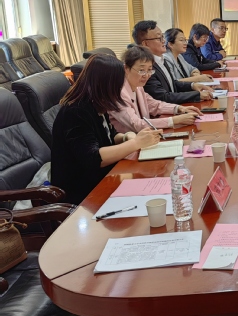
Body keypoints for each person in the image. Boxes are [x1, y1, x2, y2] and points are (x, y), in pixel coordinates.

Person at [51, 54, 161, 205]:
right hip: (83, 193)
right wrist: (135, 143)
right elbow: (93, 158)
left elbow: (110, 136)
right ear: (105, 84)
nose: (120, 89)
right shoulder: (76, 111)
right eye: (117, 84)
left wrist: (127, 137)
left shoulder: (97, 103)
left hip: (103, 179)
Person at [109, 45, 202, 133]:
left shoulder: (138, 87)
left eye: (149, 70)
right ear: (126, 68)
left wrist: (179, 108)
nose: (146, 75)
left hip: (146, 137)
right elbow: (136, 124)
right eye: (141, 70)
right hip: (128, 141)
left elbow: (155, 105)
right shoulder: (117, 93)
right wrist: (174, 120)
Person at [132, 20, 213, 104]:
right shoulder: (145, 67)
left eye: (163, 37)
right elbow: (162, 96)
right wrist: (196, 95)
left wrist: (192, 86)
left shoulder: (161, 60)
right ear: (145, 44)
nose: (164, 41)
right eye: (159, 38)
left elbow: (171, 84)